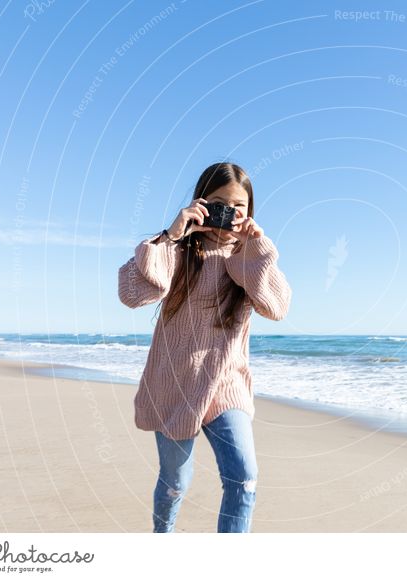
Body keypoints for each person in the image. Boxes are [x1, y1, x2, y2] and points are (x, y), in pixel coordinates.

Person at [117, 161, 292, 533]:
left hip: (227, 384)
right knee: (174, 483)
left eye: (237, 206)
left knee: (244, 477)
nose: (227, 212)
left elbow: (277, 307)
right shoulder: (179, 252)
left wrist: (256, 246)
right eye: (217, 202)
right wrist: (170, 235)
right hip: (175, 382)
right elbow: (131, 294)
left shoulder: (248, 257)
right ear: (200, 202)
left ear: (249, 211)